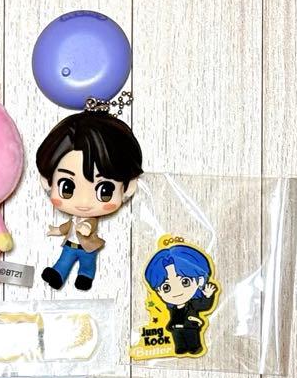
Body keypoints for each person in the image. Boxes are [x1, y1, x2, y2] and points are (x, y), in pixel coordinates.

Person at [35, 110, 143, 291]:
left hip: (88, 248)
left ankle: (85, 276)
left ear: (128, 188)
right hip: (70, 246)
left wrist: (85, 227)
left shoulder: (89, 220)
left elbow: (88, 226)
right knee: (63, 260)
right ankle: (57, 274)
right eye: (67, 187)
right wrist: (57, 230)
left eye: (104, 191)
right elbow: (67, 227)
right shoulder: (74, 218)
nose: (84, 202)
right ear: (47, 182)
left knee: (87, 264)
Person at [143, 241, 219, 356]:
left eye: (185, 282)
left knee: (192, 338)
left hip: (190, 326)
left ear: (200, 280)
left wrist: (208, 296)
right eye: (166, 287)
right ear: (158, 291)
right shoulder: (171, 307)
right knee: (179, 340)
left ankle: (194, 347)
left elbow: (204, 306)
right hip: (176, 328)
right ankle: (180, 347)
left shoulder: (193, 304)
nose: (176, 291)